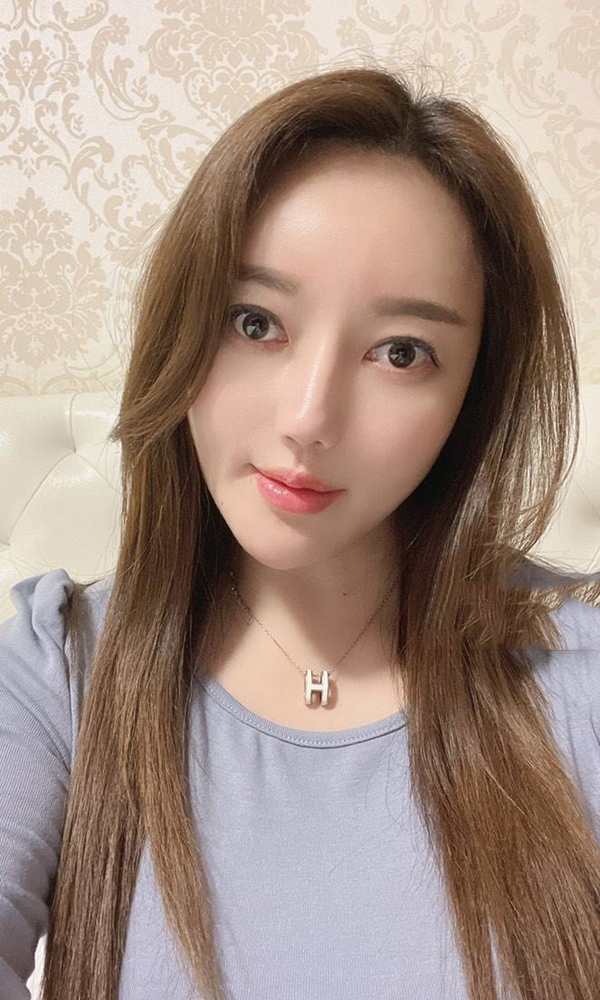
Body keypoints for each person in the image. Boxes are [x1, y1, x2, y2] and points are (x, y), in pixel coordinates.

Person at [1, 63, 600, 1000]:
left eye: (401, 352)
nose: (310, 418)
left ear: (471, 396)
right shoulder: (61, 670)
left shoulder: (577, 679)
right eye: (256, 322)